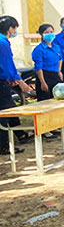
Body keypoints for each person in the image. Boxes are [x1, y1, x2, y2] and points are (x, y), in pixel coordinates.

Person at [0, 16, 33, 155]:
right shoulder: (3, 42)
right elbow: (8, 65)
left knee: (11, 107)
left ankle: (20, 134)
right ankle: (4, 145)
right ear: (10, 28)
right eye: (15, 29)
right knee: (5, 113)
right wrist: (20, 81)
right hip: (1, 82)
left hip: (4, 80)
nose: (15, 32)